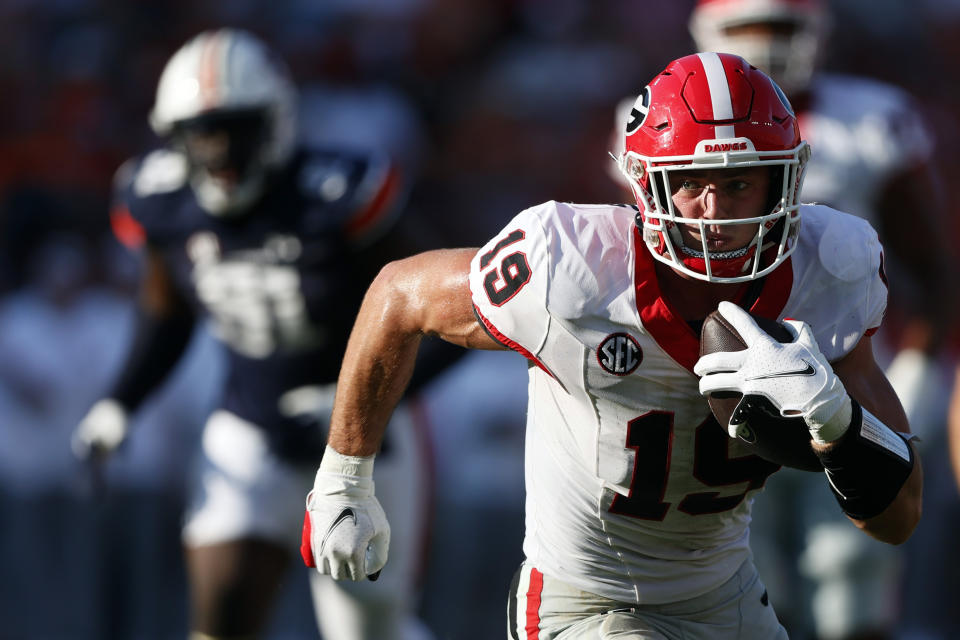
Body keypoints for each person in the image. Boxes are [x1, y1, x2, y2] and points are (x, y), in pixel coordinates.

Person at [301, 52, 922, 639]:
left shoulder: (832, 270)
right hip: (584, 599)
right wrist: (344, 478)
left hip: (724, 592)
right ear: (645, 185)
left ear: (784, 181)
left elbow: (898, 518)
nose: (714, 213)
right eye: (691, 183)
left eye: (738, 184)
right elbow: (399, 293)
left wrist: (839, 426)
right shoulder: (569, 267)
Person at [71, 28, 446, 640]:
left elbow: (436, 319)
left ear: (274, 123)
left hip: (366, 434)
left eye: (232, 129)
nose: (216, 150)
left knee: (366, 632)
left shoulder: (335, 193)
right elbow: (166, 312)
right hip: (250, 425)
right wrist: (121, 401)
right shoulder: (159, 200)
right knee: (219, 619)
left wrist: (350, 406)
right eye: (200, 133)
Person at [685, 1, 955, 637]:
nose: (767, 45)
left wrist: (917, 363)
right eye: (749, 27)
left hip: (849, 369)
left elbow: (929, 262)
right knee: (745, 569)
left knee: (851, 566)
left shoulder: (869, 119)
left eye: (780, 27)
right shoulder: (670, 122)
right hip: (725, 374)